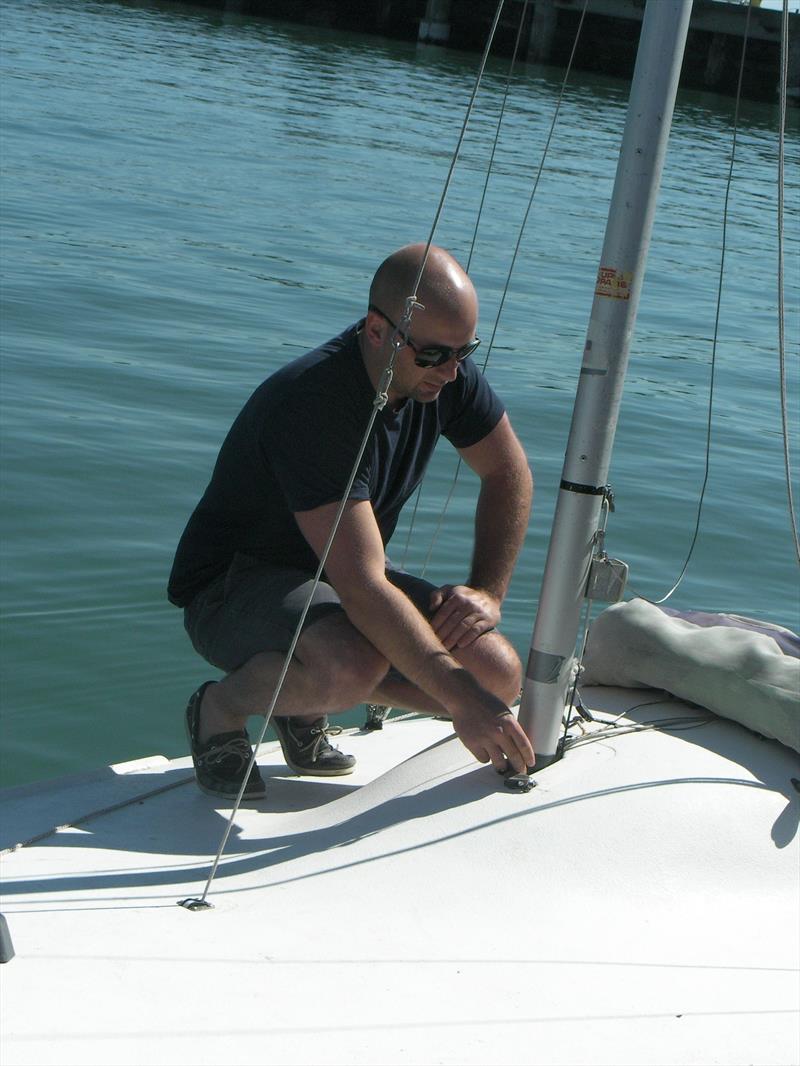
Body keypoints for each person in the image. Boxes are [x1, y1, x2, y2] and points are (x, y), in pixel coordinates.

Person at [168, 243, 535, 799]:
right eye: (435, 354)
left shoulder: (445, 374)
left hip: (335, 583)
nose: (453, 371)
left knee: (497, 674)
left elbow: (508, 473)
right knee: (352, 663)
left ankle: (302, 706)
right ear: (376, 330)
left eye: (467, 351)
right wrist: (461, 702)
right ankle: (218, 710)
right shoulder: (315, 404)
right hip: (233, 586)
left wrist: (487, 591)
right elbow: (365, 586)